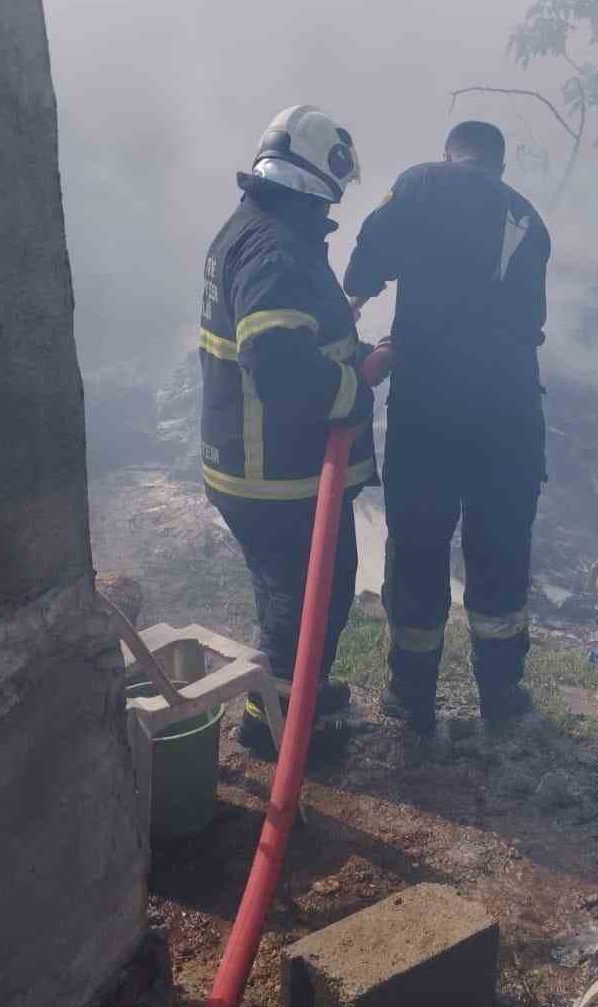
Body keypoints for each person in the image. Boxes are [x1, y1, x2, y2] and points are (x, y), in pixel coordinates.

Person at [343, 120, 551, 733]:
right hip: (510, 414)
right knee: (502, 546)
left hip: (429, 410)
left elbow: (367, 258)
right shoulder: (529, 218)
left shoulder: (422, 184)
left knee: (417, 546)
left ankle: (411, 698)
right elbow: (529, 322)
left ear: (449, 154)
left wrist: (348, 309)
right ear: (501, 167)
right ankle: (503, 697)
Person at [200, 105, 376, 759]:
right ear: (320, 175)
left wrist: (357, 359)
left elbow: (296, 342)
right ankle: (273, 735)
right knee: (299, 605)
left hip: (266, 465)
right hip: (274, 472)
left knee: (309, 593)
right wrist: (358, 388)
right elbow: (278, 365)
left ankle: (303, 695)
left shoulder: (258, 228)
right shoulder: (278, 247)